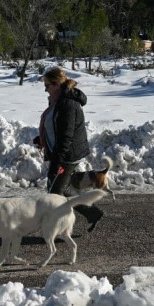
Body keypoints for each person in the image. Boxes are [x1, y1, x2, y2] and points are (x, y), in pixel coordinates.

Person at [33, 67, 104, 232]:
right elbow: (55, 126)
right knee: (62, 190)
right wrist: (43, 139)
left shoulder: (67, 104)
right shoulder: (57, 99)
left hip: (66, 155)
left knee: (54, 195)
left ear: (57, 84)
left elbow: (66, 136)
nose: (45, 89)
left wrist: (58, 162)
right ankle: (93, 213)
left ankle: (56, 230)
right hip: (61, 152)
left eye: (48, 85)